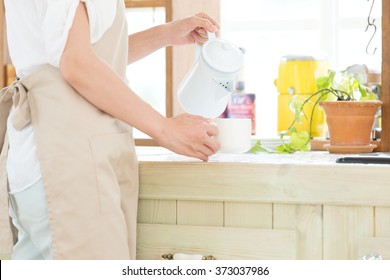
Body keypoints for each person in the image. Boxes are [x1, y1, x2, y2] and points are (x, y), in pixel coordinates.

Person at [0, 0, 220, 260]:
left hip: (40, 161)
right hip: (68, 163)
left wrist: (166, 34)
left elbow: (80, 56)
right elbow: (77, 63)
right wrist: (166, 130)